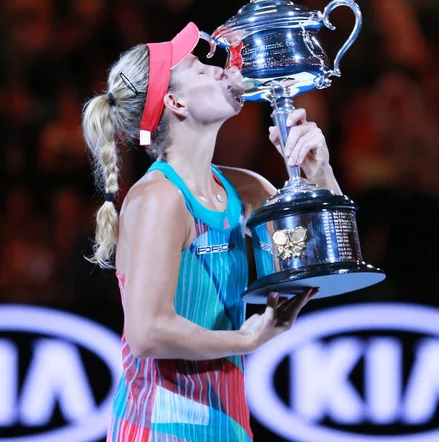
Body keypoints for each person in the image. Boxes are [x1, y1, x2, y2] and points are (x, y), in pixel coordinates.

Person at [82, 22, 342, 441]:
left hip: (228, 426)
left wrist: (319, 172)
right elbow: (147, 333)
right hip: (158, 429)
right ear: (175, 101)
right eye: (201, 69)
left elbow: (327, 261)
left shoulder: (246, 188)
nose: (221, 69)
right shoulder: (159, 198)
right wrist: (246, 338)